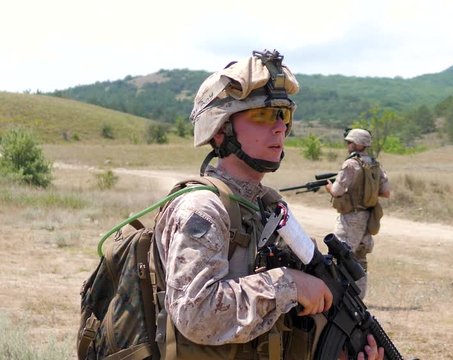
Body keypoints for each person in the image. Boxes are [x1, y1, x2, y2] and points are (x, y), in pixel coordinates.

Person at [153, 50, 384, 359]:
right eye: (262, 115)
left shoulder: (266, 205)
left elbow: (281, 319)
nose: (279, 128)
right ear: (220, 130)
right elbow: (195, 315)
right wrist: (290, 284)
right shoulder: (202, 209)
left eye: (283, 115)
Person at [325, 128, 391, 299]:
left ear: (356, 144)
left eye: (349, 142)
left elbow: (338, 191)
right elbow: (386, 192)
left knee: (340, 254)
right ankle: (358, 297)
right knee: (360, 258)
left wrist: (329, 188)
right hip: (368, 216)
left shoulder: (351, 164)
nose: (348, 145)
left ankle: (337, 296)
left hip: (350, 217)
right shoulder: (375, 165)